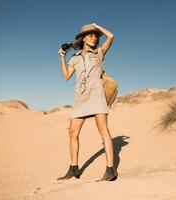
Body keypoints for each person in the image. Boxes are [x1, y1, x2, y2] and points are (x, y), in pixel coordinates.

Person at [57, 23, 118, 182]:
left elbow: (111, 36)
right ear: (83, 38)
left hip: (97, 94)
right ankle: (73, 168)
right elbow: (65, 77)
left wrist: (97, 26)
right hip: (80, 97)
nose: (94, 37)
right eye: (90, 34)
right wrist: (62, 57)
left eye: (95, 35)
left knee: (103, 130)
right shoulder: (75, 58)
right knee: (72, 132)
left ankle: (110, 170)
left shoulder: (99, 52)